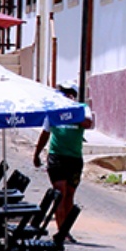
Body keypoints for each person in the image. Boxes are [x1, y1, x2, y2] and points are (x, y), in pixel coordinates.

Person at [33, 81, 93, 235]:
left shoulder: (82, 109)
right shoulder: (53, 111)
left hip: (74, 158)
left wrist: (72, 113)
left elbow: (88, 123)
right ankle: (61, 232)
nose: (65, 94)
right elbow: (45, 133)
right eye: (63, 91)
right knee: (60, 193)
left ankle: (66, 229)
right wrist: (37, 153)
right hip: (56, 157)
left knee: (70, 195)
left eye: (68, 92)